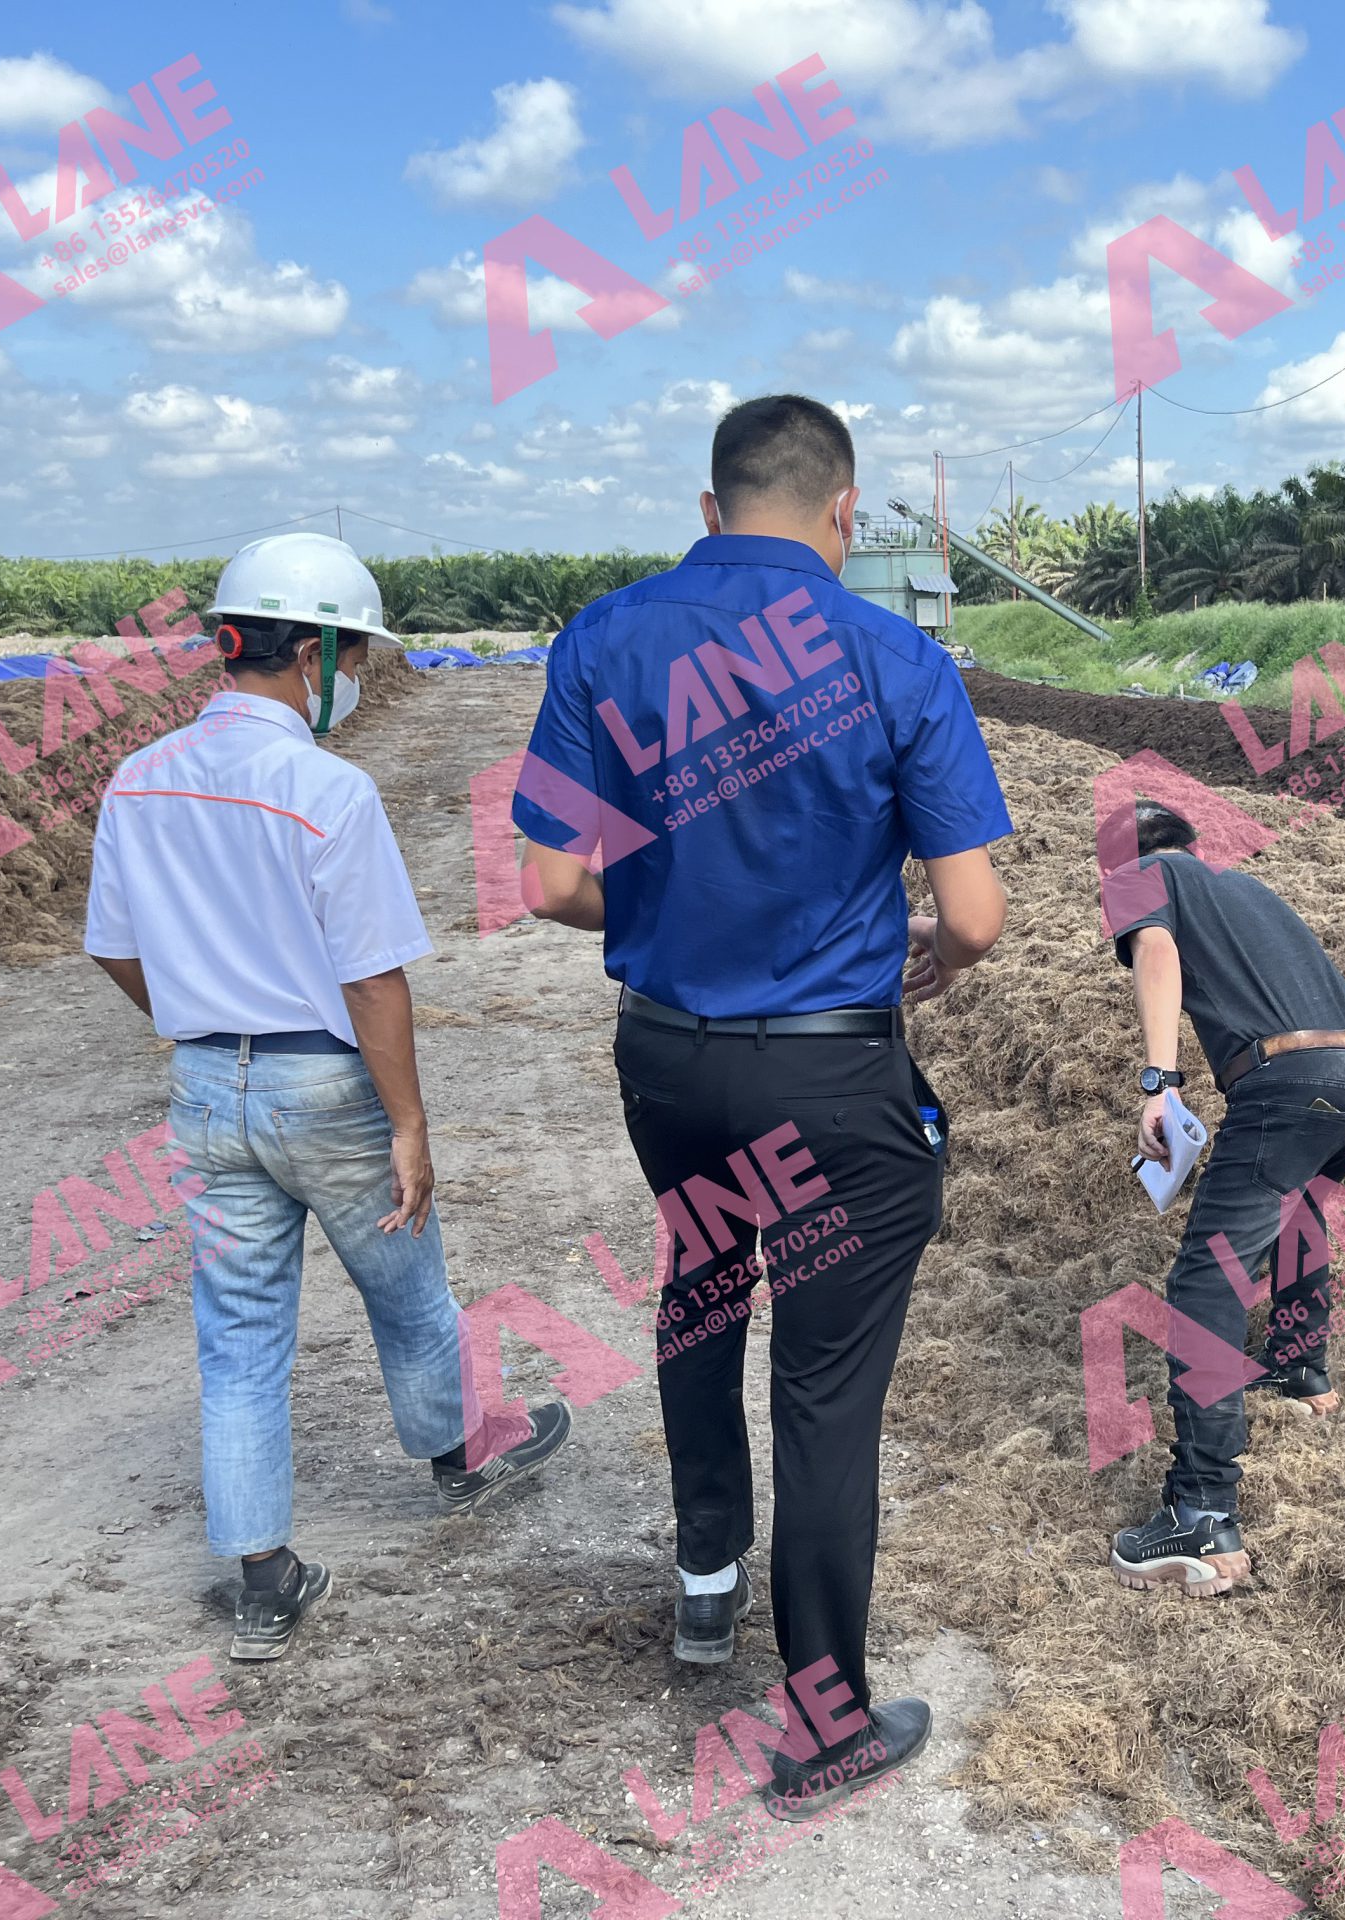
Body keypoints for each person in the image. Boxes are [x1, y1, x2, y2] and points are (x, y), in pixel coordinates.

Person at [515, 394, 1011, 1819]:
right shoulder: (896, 656)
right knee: (825, 1392)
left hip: (669, 1061)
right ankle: (824, 1721)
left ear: (711, 504)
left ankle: (703, 1581)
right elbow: (973, 915)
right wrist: (920, 959)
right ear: (846, 514)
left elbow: (551, 881)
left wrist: (665, 908)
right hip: (829, 1068)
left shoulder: (605, 639)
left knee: (703, 1285)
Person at [82, 532, 573, 1664]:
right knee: (407, 1291)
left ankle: (264, 1578)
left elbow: (112, 948)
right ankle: (461, 1460)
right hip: (324, 1082)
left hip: (208, 1083)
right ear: (310, 654)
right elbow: (370, 976)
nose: (348, 677)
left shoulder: (138, 779)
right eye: (346, 655)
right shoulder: (327, 789)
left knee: (240, 1336)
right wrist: (408, 1122)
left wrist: (195, 1014)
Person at [1105, 798, 1345, 1598]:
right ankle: (1301, 1367)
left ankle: (1200, 1514)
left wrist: (1159, 1084)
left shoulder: (1137, 874)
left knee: (1207, 1281)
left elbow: (1158, 953)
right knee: (1300, 1209)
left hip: (1297, 1081)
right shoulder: (1244, 889)